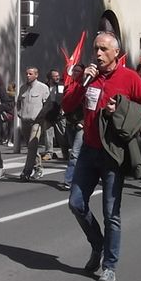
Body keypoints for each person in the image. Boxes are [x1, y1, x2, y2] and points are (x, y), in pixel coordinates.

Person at [61, 32, 141, 281]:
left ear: (115, 53)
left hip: (113, 153)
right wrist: (80, 83)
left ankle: (109, 266)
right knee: (75, 203)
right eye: (95, 49)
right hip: (89, 151)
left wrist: (120, 110)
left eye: (103, 49)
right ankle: (97, 244)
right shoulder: (89, 77)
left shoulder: (130, 78)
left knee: (111, 212)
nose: (98, 54)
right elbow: (67, 105)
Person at [16, 66, 50, 180]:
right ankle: (38, 167)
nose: (28, 76)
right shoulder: (22, 88)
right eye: (26, 74)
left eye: (30, 74)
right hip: (25, 121)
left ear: (36, 75)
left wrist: (41, 117)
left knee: (32, 145)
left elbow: (47, 105)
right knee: (31, 147)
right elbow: (18, 103)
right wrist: (19, 113)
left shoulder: (43, 88)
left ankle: (27, 171)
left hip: (37, 122)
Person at [61, 63, 86, 192]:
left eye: (78, 71)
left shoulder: (86, 86)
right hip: (70, 123)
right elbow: (66, 103)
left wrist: (83, 121)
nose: (75, 73)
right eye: (74, 71)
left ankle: (68, 181)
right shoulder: (69, 86)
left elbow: (90, 106)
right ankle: (82, 177)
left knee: (74, 154)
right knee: (78, 154)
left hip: (81, 125)